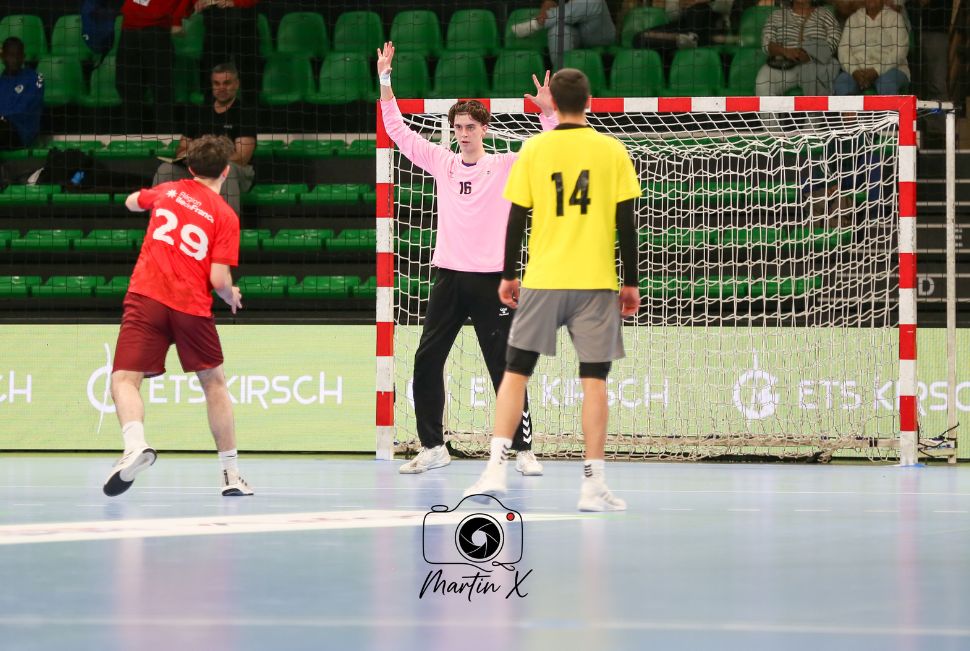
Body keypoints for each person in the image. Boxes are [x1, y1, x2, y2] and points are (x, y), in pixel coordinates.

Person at [463, 68, 642, 512]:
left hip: (543, 279)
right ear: (590, 101)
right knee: (594, 381)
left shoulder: (535, 149)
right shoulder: (612, 149)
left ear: (555, 104)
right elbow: (626, 223)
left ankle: (495, 468)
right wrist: (631, 282)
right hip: (595, 283)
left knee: (515, 373)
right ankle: (592, 485)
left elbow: (516, 217)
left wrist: (508, 274)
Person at [377, 41, 556, 476]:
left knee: (504, 367)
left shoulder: (506, 165)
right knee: (426, 359)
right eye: (457, 126)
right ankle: (433, 446)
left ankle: (523, 450)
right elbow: (397, 130)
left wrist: (548, 113)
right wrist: (385, 79)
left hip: (492, 280)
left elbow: (550, 151)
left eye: (470, 126)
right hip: (450, 277)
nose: (463, 133)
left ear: (484, 129)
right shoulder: (443, 163)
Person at [103, 134, 251, 498]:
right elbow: (219, 280)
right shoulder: (225, 216)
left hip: (147, 296)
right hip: (191, 307)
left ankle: (135, 445)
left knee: (124, 379)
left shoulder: (169, 191)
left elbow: (131, 201)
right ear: (226, 171)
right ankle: (231, 474)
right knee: (214, 384)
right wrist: (231, 294)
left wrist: (144, 201)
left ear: (189, 167)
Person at [153, 63, 256, 216]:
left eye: (226, 83)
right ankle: (160, 224)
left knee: (227, 169)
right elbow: (181, 149)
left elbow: (242, 158)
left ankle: (227, 228)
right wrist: (191, 156)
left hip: (233, 172)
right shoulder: (199, 113)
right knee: (166, 170)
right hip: (199, 170)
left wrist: (211, 158)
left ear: (236, 84)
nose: (221, 88)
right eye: (217, 83)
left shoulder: (245, 113)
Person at [116, 0, 192, 134]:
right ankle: (131, 138)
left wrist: (176, 20)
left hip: (156, 29)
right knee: (128, 90)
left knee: (162, 91)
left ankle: (166, 138)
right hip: (129, 29)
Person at [755, 0, 842, 96]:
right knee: (763, 81)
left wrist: (811, 56)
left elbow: (835, 37)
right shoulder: (777, 15)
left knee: (828, 66)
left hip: (816, 64)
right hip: (785, 64)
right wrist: (785, 51)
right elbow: (766, 42)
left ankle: (814, 106)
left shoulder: (824, 14)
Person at [510, 0, 617, 68]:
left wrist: (547, 17)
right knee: (557, 30)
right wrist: (545, 11)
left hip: (598, 32)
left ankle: (537, 24)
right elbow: (548, 4)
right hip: (576, 33)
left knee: (593, 2)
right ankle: (561, 78)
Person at [834, 0, 910, 95]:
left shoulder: (895, 18)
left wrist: (877, 71)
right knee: (842, 82)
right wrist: (854, 70)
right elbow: (843, 50)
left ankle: (887, 106)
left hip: (890, 70)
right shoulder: (853, 19)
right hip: (858, 71)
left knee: (886, 82)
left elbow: (900, 51)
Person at [195, 0, 262, 103]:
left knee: (249, 77)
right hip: (215, 24)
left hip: (245, 23)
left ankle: (250, 110)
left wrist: (235, 1)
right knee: (212, 74)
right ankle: (211, 111)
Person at [0, 38, 44, 151]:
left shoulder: (35, 78)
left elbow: (26, 108)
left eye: (18, 55)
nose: (15, 59)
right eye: (11, 55)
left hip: (22, 132)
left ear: (23, 57)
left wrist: (4, 117)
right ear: (3, 57)